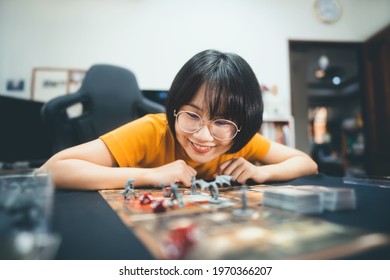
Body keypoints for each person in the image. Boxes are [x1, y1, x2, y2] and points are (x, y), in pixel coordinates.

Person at [39, 49, 317, 190]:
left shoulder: (238, 140)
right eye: (192, 115)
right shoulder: (153, 130)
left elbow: (307, 163)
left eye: (221, 122)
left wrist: (262, 172)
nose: (204, 136)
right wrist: (150, 175)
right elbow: (50, 169)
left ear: (241, 126)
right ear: (174, 109)